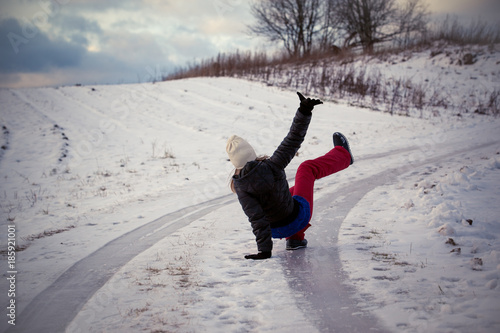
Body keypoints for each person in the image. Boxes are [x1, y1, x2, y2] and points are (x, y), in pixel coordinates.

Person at [226, 92, 354, 260]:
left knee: (290, 191)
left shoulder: (240, 185)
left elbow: (256, 218)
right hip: (297, 218)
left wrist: (264, 251)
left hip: (276, 229)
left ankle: (295, 240)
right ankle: (344, 155)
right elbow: (293, 139)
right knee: (306, 168)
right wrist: (304, 111)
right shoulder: (272, 165)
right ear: (252, 153)